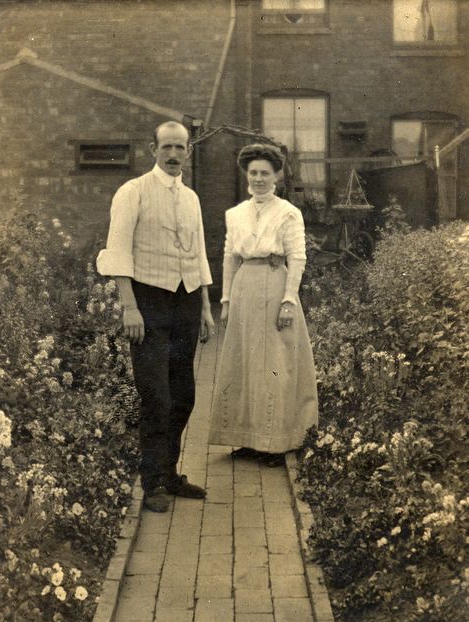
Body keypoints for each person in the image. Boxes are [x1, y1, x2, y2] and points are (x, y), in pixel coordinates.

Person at [97, 121, 214, 512]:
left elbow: (198, 254)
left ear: (189, 151)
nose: (173, 154)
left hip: (187, 302)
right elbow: (117, 251)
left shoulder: (192, 198)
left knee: (184, 395)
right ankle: (153, 484)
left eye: (180, 147)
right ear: (153, 149)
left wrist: (207, 308)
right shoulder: (133, 192)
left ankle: (170, 472)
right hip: (148, 303)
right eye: (166, 147)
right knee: (156, 397)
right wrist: (129, 305)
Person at [208, 143, 318, 466]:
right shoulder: (235, 214)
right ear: (247, 175)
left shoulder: (287, 212)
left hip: (274, 284)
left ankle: (275, 442)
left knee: (275, 363)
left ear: (276, 176)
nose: (258, 179)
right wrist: (226, 299)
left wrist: (288, 300)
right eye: (253, 173)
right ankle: (246, 438)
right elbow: (229, 257)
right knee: (243, 362)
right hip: (244, 287)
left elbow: (297, 257)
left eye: (265, 173)